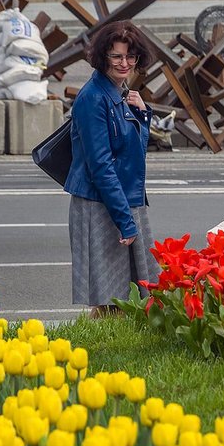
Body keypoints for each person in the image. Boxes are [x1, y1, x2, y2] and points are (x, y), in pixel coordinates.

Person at [64, 21, 160, 318]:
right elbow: (101, 167)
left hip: (126, 202)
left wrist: (143, 116)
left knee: (131, 295)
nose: (124, 63)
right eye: (116, 56)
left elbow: (133, 154)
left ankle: (113, 347)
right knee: (110, 299)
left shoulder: (120, 92)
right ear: (102, 57)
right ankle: (101, 350)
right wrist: (124, 220)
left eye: (130, 57)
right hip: (101, 204)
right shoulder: (93, 98)